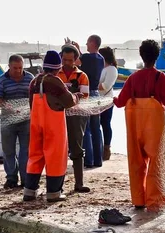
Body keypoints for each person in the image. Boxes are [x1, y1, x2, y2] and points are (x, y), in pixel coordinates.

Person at [114, 39, 165, 211]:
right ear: (157, 56)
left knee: (136, 161)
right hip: (154, 124)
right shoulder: (161, 78)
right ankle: (155, 201)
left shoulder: (132, 78)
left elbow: (120, 103)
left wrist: (113, 99)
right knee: (157, 160)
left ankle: (139, 200)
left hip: (134, 123)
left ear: (141, 55)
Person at [23, 51, 81, 203]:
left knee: (35, 156)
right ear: (57, 68)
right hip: (53, 124)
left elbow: (31, 104)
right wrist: (77, 96)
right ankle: (53, 193)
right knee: (55, 156)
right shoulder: (55, 81)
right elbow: (68, 101)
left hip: (36, 123)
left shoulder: (34, 82)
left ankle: (29, 191)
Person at [0, 55, 35, 189]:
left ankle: (25, 178)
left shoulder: (30, 78)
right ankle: (11, 178)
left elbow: (35, 97)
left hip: (26, 119)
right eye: (15, 68)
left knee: (25, 150)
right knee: (8, 150)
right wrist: (7, 106)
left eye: (20, 68)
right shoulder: (2, 80)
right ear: (9, 67)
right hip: (8, 119)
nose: (18, 71)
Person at [58, 45, 91, 193]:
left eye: (70, 60)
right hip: (58, 115)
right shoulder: (55, 74)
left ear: (76, 59)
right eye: (64, 59)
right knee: (59, 150)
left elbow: (85, 97)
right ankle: (58, 185)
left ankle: (79, 183)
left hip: (77, 116)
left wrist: (69, 96)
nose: (67, 63)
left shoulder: (82, 76)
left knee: (77, 149)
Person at [70, 35, 105, 168]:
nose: (86, 44)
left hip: (87, 93)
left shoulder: (86, 58)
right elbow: (83, 60)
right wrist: (79, 50)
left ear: (92, 43)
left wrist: (74, 48)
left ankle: (89, 160)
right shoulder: (101, 58)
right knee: (97, 128)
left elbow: (76, 62)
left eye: (88, 42)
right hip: (96, 94)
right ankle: (98, 160)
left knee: (86, 128)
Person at [98, 47, 119, 161]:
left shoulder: (111, 69)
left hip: (106, 101)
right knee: (96, 125)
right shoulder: (101, 68)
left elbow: (105, 86)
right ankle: (98, 148)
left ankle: (106, 149)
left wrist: (90, 85)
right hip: (96, 101)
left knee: (105, 124)